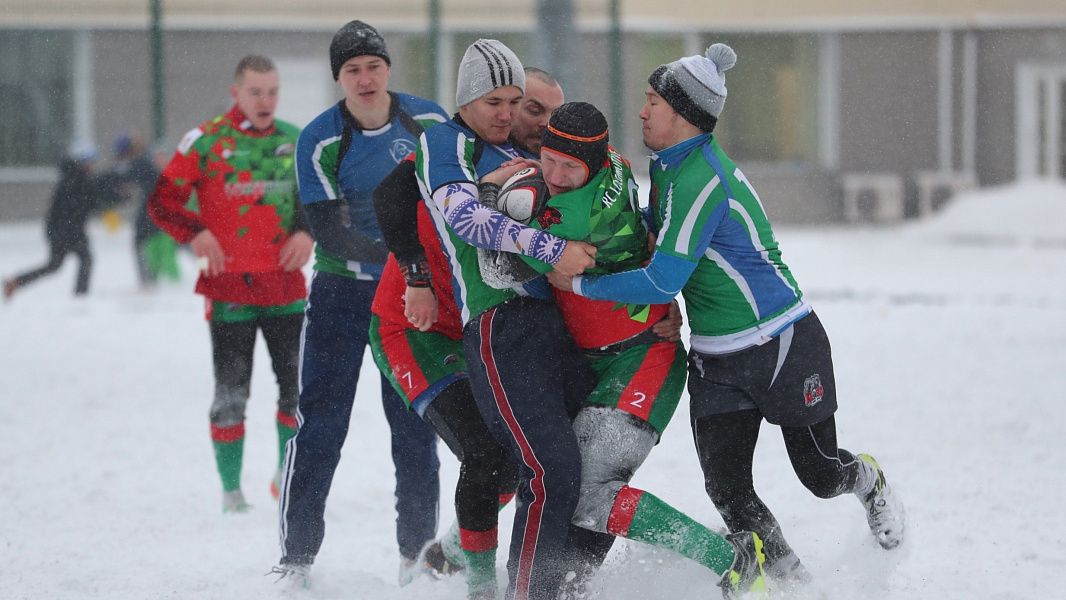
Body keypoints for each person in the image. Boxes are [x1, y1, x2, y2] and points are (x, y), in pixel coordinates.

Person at [548, 44, 906, 590]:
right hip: (716, 357)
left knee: (819, 474)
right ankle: (791, 582)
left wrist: (576, 279)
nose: (642, 111)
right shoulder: (667, 166)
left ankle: (869, 481)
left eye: (651, 101)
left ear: (684, 114)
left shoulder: (702, 178)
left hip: (780, 342)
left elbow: (662, 277)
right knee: (729, 491)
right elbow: (655, 242)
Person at [481, 102, 767, 599]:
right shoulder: (613, 161)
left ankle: (731, 560)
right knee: (566, 480)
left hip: (642, 357)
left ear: (591, 164)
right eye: (548, 160)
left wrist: (490, 187)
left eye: (569, 167)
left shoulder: (569, 214)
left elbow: (495, 270)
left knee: (588, 491)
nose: (555, 175)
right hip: (612, 351)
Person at [414, 39, 600, 600]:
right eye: (494, 101)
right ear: (467, 98)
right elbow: (466, 218)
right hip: (499, 325)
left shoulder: (519, 155)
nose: (505, 113)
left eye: (513, 101)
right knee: (544, 468)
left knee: (581, 465)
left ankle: (565, 582)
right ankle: (516, 588)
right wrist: (550, 248)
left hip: (556, 324)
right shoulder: (442, 141)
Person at [273, 20, 446, 588]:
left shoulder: (427, 123)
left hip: (412, 296)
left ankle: (415, 558)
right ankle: (296, 559)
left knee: (415, 424)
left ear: (388, 70)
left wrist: (420, 272)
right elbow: (328, 229)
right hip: (343, 295)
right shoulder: (319, 139)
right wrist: (405, 255)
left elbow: (451, 201)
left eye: (373, 66)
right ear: (339, 79)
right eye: (352, 70)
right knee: (321, 425)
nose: (365, 78)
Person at [147, 55, 314, 514]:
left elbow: (320, 199)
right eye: (256, 92)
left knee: (296, 391)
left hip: (285, 289)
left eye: (273, 92)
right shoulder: (205, 141)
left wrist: (305, 230)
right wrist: (195, 232)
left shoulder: (294, 139)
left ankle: (286, 478)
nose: (266, 101)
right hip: (229, 293)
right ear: (235, 93)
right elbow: (161, 201)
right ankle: (231, 493)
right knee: (231, 395)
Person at [369, 152, 520, 600]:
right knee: (485, 454)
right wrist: (416, 277)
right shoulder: (451, 148)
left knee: (515, 462)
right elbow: (389, 193)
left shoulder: (549, 166)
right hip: (414, 329)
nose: (537, 121)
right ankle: (479, 588)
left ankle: (446, 554)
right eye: (527, 108)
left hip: (477, 330)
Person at [3, 140, 116, 300]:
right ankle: (80, 298)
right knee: (85, 260)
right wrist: (113, 198)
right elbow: (88, 203)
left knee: (54, 265)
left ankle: (16, 282)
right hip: (68, 230)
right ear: (82, 161)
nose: (93, 164)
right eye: (90, 160)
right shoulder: (78, 180)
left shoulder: (73, 177)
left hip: (62, 229)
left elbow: (88, 203)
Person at [112, 130, 178, 288]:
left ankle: (149, 281)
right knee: (151, 246)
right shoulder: (143, 162)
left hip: (151, 213)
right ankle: (153, 280)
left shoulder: (139, 164)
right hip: (154, 213)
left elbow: (129, 181)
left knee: (144, 245)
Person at [508, 67, 564, 156]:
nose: (548, 123)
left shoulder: (568, 162)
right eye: (535, 111)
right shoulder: (479, 154)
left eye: (556, 116)